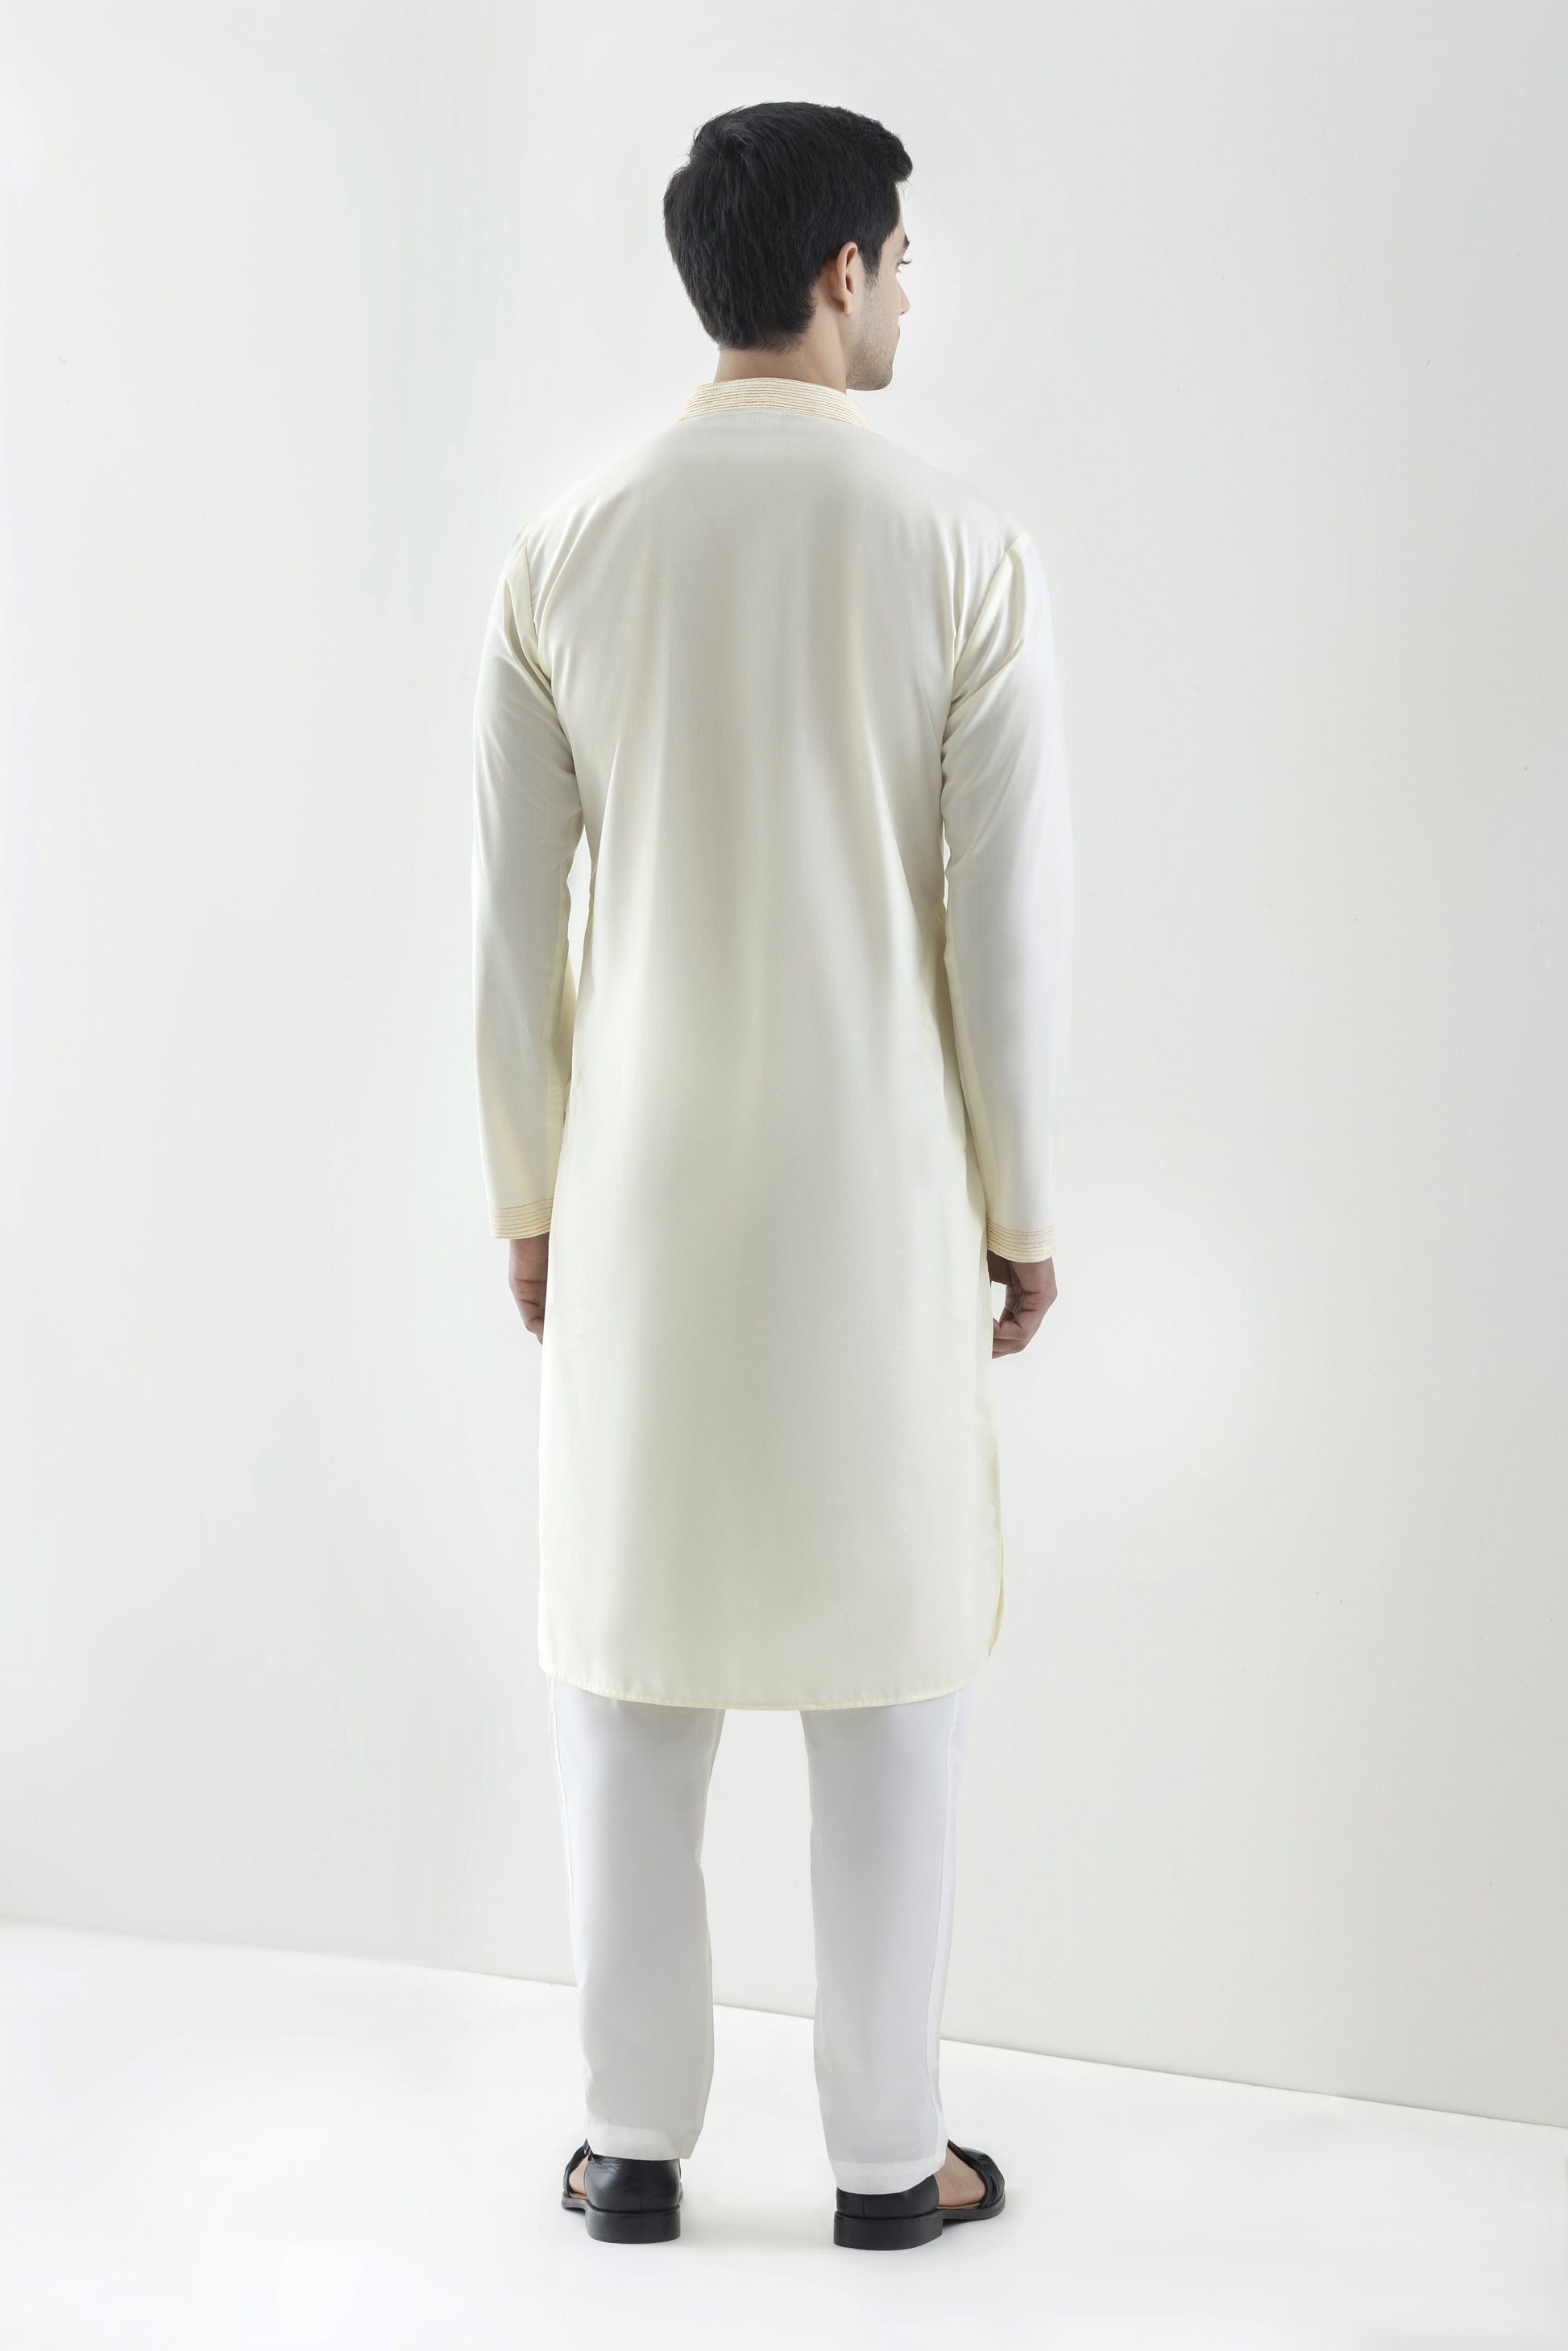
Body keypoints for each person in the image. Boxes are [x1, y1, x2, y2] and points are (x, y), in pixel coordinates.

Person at [471, 99, 1072, 2251]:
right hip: (873, 1196)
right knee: (885, 1675)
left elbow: (511, 926)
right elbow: (1003, 935)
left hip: (635, 1200)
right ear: (838, 273)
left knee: (630, 1668)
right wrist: (1020, 1210)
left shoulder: (569, 542)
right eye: (899, 259)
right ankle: (887, 2161)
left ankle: (630, 2149)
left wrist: (528, 1194)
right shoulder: (958, 547)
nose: (907, 292)